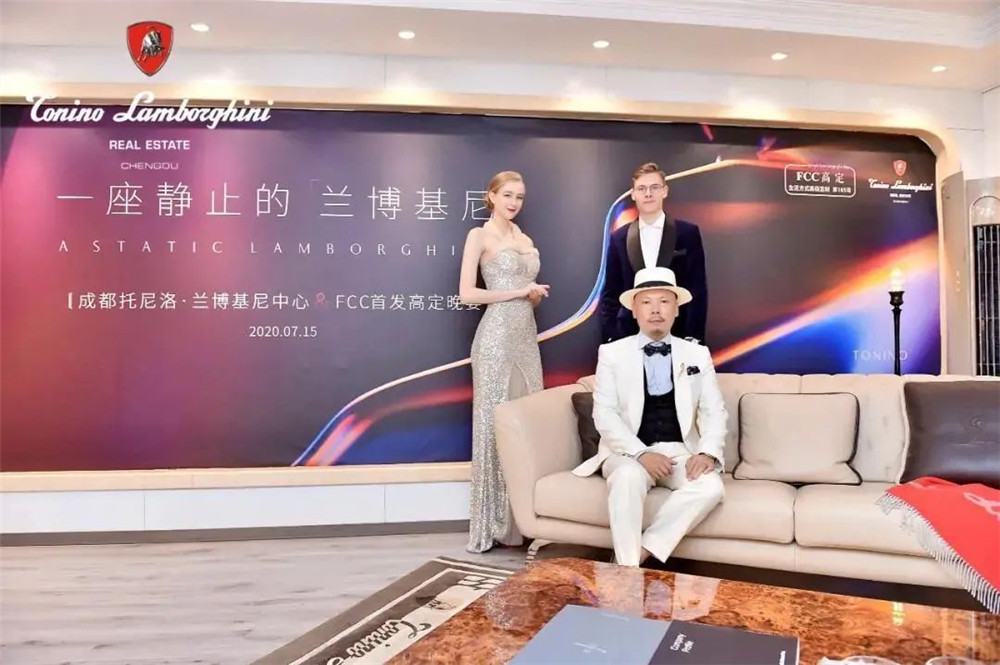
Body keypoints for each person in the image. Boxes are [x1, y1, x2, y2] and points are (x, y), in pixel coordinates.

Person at [573, 266, 726, 567]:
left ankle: (636, 556)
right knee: (627, 477)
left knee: (710, 487)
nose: (656, 310)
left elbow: (713, 409)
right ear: (634, 311)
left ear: (676, 309)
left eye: (664, 301)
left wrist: (707, 452)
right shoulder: (612, 353)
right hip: (627, 451)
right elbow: (605, 413)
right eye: (646, 302)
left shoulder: (697, 354)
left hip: (679, 451)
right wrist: (641, 453)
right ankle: (629, 573)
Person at [459, 170, 549, 553]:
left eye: (520, 197)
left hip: (526, 339)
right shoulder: (479, 236)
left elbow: (525, 297)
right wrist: (518, 292)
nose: (514, 202)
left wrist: (532, 297)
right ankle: (490, 524)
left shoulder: (524, 239)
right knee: (492, 427)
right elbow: (467, 294)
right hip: (494, 340)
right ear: (491, 196)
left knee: (529, 428)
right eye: (508, 195)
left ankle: (524, 523)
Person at [599, 162, 708, 345]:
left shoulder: (687, 233)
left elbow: (697, 289)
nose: (648, 194)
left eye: (654, 187)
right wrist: (612, 337)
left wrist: (693, 336)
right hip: (628, 336)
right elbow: (611, 293)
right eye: (641, 188)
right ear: (633, 194)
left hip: (679, 335)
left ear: (665, 191)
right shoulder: (619, 238)